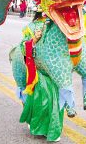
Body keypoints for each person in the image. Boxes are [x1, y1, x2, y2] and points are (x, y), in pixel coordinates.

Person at [18, 11, 63, 142]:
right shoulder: (31, 27)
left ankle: (52, 128)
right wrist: (34, 40)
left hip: (55, 70)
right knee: (44, 100)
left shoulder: (59, 26)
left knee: (56, 101)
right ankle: (40, 127)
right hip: (40, 70)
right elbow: (23, 47)